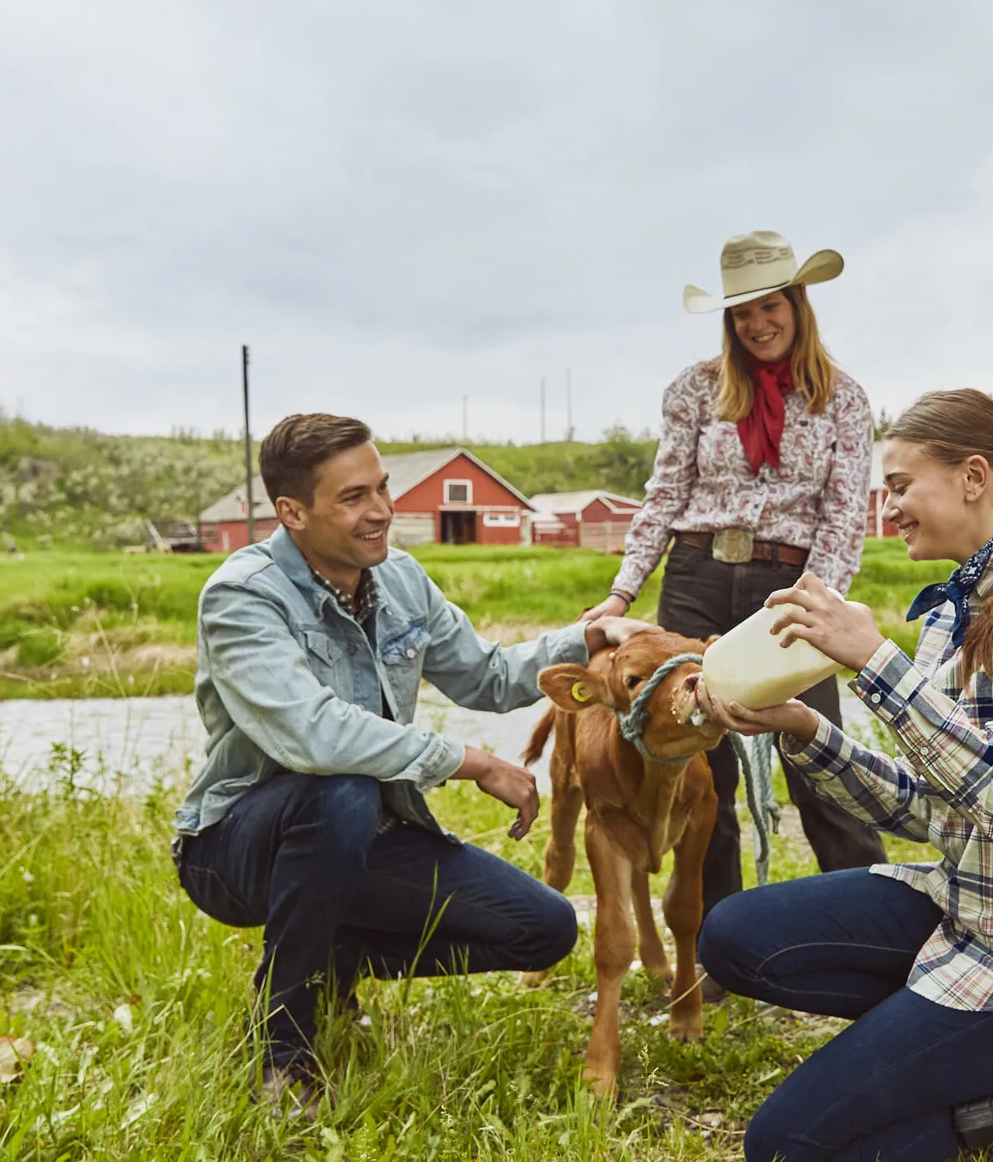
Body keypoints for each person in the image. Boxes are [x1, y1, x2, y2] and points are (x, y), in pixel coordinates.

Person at [695, 389, 993, 1162]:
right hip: (967, 908)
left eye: (898, 484)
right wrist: (804, 729)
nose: (887, 506)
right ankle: (955, 1050)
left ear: (973, 476)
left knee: (787, 1145)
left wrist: (875, 660)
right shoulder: (951, 614)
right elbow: (927, 808)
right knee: (730, 935)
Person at [173, 412, 653, 1116]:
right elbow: (314, 734)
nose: (381, 512)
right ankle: (284, 1045)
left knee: (542, 928)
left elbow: (487, 674)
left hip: (360, 834)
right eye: (353, 497)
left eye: (382, 487)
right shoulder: (242, 596)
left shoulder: (399, 578)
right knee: (338, 790)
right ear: (292, 512)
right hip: (238, 845)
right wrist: (471, 761)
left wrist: (588, 636)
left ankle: (324, 955)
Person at [581, 230, 886, 931]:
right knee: (699, 763)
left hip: (791, 584)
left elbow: (843, 517)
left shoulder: (842, 400)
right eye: (741, 312)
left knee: (819, 755)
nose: (757, 323)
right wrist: (624, 590)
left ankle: (873, 927)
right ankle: (715, 939)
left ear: (797, 305)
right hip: (697, 575)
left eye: (770, 305)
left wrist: (815, 602)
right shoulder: (694, 389)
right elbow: (663, 495)